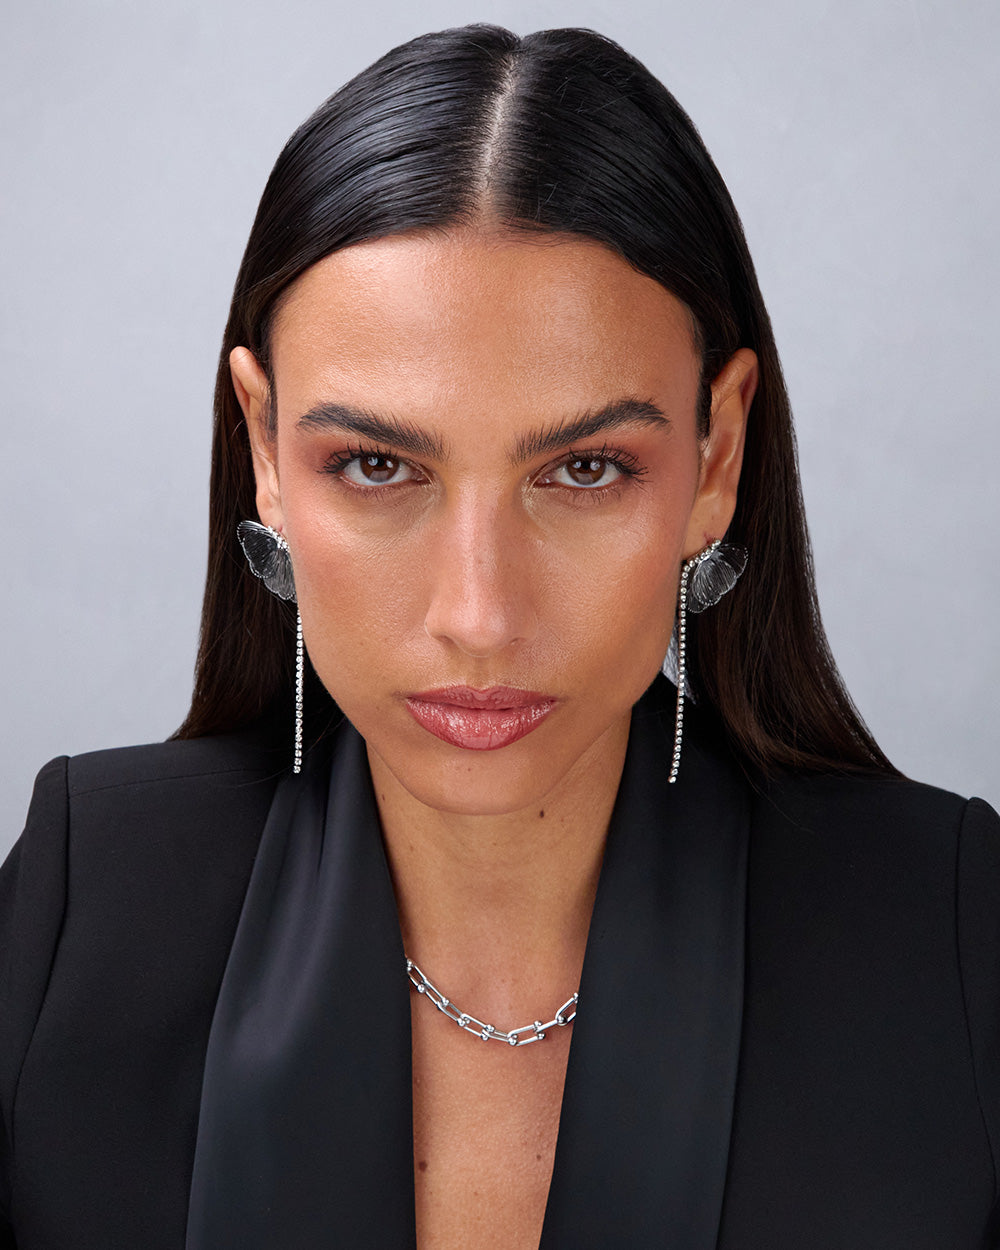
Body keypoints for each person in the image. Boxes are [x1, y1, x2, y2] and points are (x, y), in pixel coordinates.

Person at [1, 23, 997, 1250]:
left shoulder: (947, 936)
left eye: (584, 468)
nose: (477, 613)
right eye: (376, 464)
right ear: (263, 449)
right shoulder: (84, 904)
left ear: (715, 455)